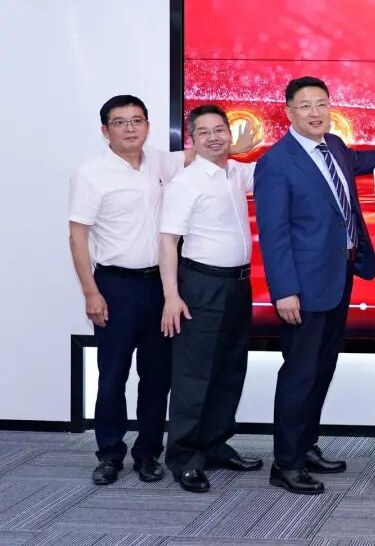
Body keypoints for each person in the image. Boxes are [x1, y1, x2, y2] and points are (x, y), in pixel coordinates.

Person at [69, 94, 254, 486]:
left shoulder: (160, 161)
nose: (130, 128)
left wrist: (232, 143)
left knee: (157, 377)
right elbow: (77, 236)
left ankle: (148, 453)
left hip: (160, 285)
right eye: (120, 122)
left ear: (148, 126)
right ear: (105, 130)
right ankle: (109, 453)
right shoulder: (91, 174)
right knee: (113, 374)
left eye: (137, 120)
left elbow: (201, 152)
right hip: (115, 285)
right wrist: (90, 292)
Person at [253, 76, 375, 495]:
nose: (315, 113)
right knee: (299, 373)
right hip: (302, 289)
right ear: (289, 112)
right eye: (305, 106)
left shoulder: (337, 148)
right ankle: (286, 463)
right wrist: (283, 290)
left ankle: (306, 447)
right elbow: (274, 233)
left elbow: (373, 160)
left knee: (321, 369)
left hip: (339, 277)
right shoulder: (276, 162)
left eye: (322, 104)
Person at [159, 105, 264, 493]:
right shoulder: (186, 183)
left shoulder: (237, 172)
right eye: (204, 132)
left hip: (238, 286)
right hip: (201, 286)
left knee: (229, 369)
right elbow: (167, 241)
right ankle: (184, 457)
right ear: (192, 140)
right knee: (194, 374)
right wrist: (171, 296)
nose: (214, 137)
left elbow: (274, 170)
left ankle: (216, 445)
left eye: (220, 129)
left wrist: (247, 148)